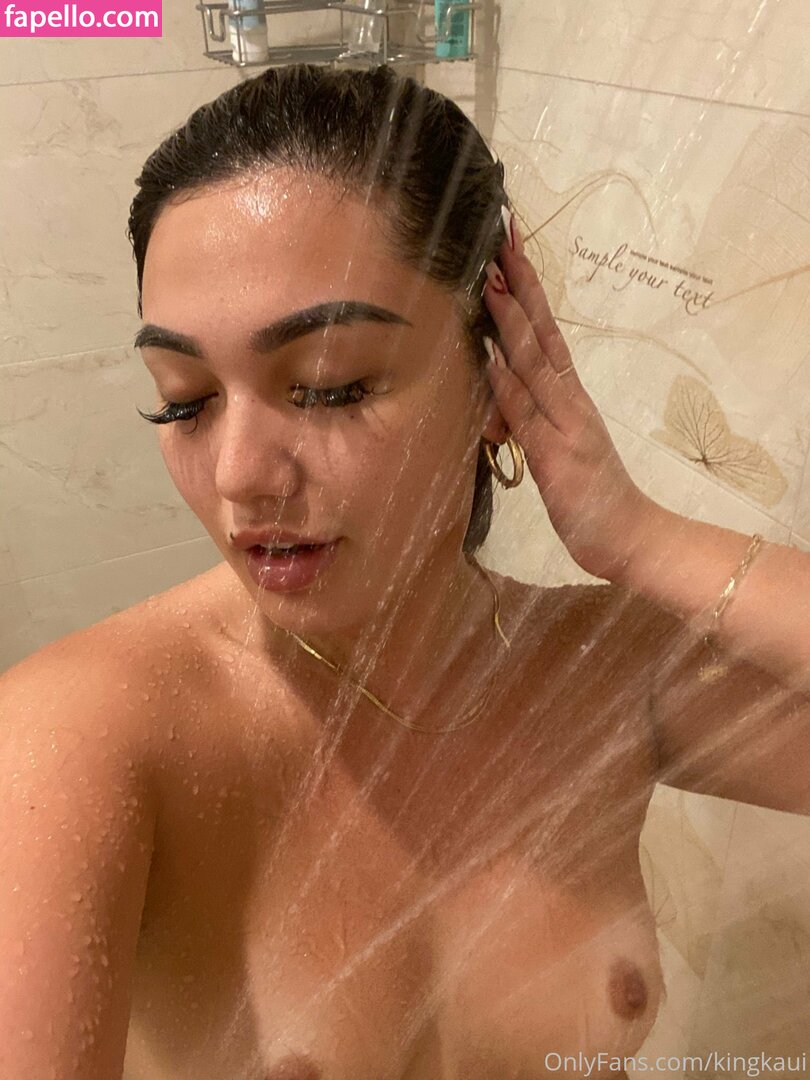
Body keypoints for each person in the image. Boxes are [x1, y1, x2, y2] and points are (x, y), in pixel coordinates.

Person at [2, 63, 809, 1080]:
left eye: (329, 386)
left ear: (492, 377)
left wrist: (637, 535)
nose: (238, 474)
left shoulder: (607, 671)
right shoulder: (81, 740)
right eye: (183, 399)